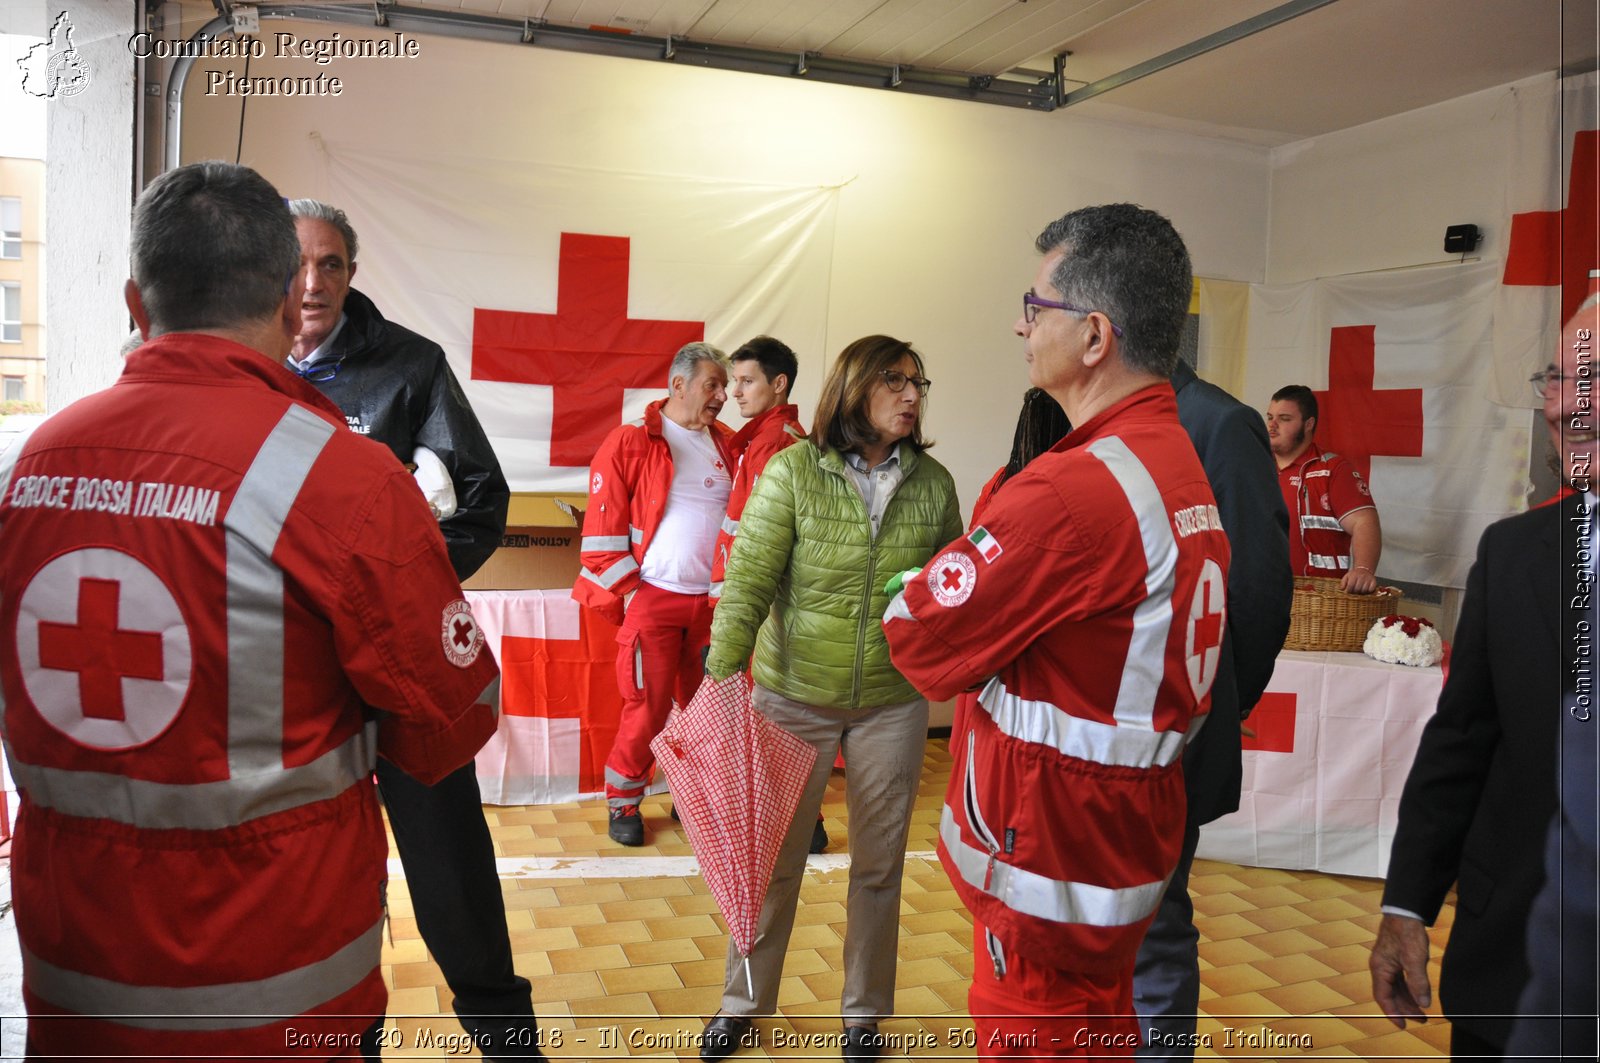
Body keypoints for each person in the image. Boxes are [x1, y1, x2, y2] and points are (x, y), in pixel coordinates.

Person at [0, 161, 498, 1058]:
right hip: (282, 981)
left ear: (133, 301)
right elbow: (448, 719)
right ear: (283, 300)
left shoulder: (28, 468)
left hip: (76, 979)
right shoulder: (344, 478)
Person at [883, 204, 1230, 1059]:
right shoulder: (1171, 460)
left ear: (1094, 335)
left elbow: (921, 640)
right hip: (1111, 855)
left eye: (1035, 306)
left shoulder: (1071, 492)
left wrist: (928, 584)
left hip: (1048, 866)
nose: (1018, 324)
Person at [285, 199, 541, 1058]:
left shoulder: (410, 367)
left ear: (354, 272)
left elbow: (479, 502)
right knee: (314, 870)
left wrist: (401, 599)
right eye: (296, 263)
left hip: (397, 668)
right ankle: (343, 1037)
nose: (312, 282)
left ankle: (509, 1039)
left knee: (450, 865)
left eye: (331, 263)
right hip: (292, 681)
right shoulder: (245, 364)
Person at [700, 334, 962, 1063]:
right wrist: (721, 674)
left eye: (918, 381)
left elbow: (952, 589)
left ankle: (864, 1012)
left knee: (879, 864)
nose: (912, 395)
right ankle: (742, 1000)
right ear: (854, 388)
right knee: (772, 860)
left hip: (891, 701)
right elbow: (749, 578)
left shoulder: (934, 484)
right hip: (792, 696)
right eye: (895, 382)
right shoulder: (792, 473)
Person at [1369, 302, 1594, 1060]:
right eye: (1557, 378)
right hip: (1512, 973)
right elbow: (1462, 740)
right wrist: (1407, 903)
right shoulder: (1513, 554)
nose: (1561, 405)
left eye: (1590, 379)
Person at [1133, 360, 1293, 1058]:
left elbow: (1257, 590)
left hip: (1171, 736)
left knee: (1154, 929)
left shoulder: (1218, 422)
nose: (1026, 328)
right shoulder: (1099, 423)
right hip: (1100, 742)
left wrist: (1214, 706)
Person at [575, 342, 736, 846]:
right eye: (712, 385)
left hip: (713, 607)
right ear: (678, 385)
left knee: (705, 712)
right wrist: (633, 596)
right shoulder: (629, 442)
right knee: (647, 708)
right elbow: (600, 539)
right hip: (654, 601)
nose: (722, 397)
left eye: (726, 387)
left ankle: (689, 797)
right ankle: (624, 802)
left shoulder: (730, 444)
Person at [711, 335, 828, 856]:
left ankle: (804, 826)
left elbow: (765, 543)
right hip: (750, 605)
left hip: (765, 608)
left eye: (746, 380)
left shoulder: (779, 444)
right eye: (734, 381)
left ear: (778, 385)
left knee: (771, 721)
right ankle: (792, 821)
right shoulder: (759, 440)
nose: (734, 392)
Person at [1267, 384, 1382, 593]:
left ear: (1308, 424)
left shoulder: (1333, 469)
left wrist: (1363, 569)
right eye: (1270, 417)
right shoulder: (1254, 466)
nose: (1272, 425)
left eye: (1284, 419)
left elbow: (1364, 522)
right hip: (1260, 596)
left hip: (1317, 604)